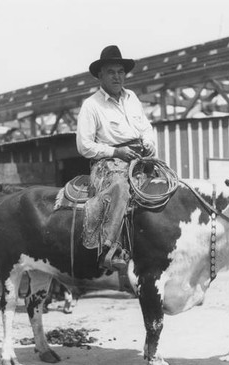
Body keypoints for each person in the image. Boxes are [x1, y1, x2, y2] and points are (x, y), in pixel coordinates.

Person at [76, 45, 157, 271]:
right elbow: (84, 145)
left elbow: (147, 128)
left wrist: (148, 144)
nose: (117, 76)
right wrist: (115, 152)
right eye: (111, 72)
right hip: (108, 163)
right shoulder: (91, 105)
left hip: (139, 158)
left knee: (166, 186)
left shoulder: (132, 98)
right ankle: (109, 248)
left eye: (120, 71)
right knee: (120, 188)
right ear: (100, 75)